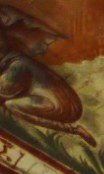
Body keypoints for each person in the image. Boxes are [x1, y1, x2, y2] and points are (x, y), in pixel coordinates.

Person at [0, 7, 95, 144]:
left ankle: (74, 130)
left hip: (63, 106)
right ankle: (74, 130)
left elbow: (6, 90)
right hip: (63, 102)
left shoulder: (17, 64)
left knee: (12, 105)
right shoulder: (13, 60)